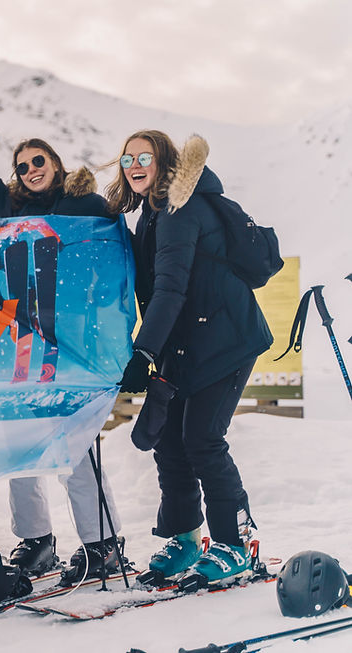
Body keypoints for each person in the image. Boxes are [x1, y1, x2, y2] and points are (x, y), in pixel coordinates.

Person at [0, 77, 124, 583]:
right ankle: (36, 541)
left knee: (75, 446)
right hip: (20, 344)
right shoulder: (10, 208)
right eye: (22, 165)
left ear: (56, 163)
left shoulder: (86, 208)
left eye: (38, 161)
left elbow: (114, 260)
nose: (30, 170)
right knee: (21, 443)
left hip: (72, 346)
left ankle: (103, 544)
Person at [108, 130, 270, 584]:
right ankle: (184, 539)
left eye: (144, 157)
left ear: (164, 161)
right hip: (187, 342)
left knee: (202, 438)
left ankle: (235, 543)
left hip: (226, 338)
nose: (134, 165)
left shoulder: (180, 211)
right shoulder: (154, 213)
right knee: (169, 441)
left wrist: (144, 350)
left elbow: (170, 288)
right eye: (127, 159)